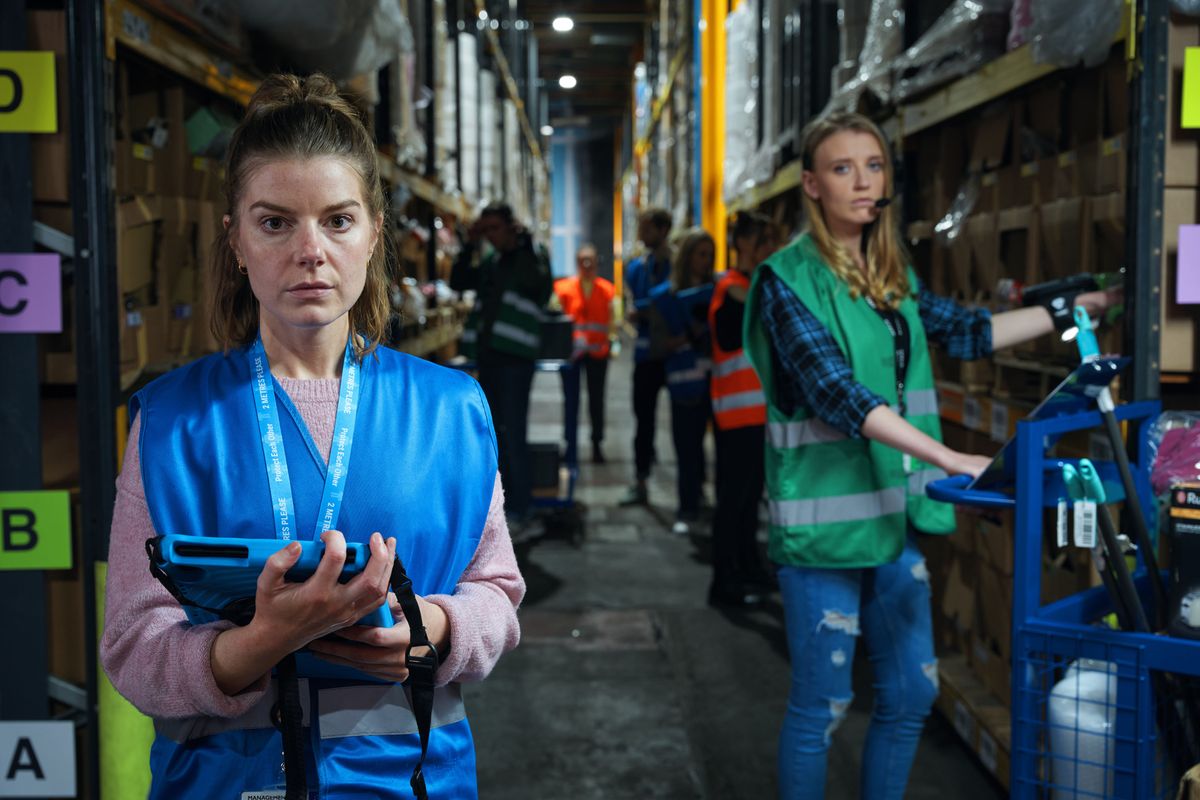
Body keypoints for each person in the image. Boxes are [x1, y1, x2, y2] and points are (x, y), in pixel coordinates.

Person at [100, 74, 525, 799]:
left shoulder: (453, 410)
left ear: (373, 232)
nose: (310, 251)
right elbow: (134, 649)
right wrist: (258, 646)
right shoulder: (172, 421)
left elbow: (496, 592)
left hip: (409, 781)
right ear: (235, 239)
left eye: (337, 220)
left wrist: (436, 628)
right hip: (224, 783)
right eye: (274, 223)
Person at [742, 111, 1119, 800]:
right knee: (820, 708)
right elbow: (836, 393)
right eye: (842, 168)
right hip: (823, 536)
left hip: (892, 523)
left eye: (875, 165)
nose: (863, 181)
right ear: (811, 186)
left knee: (913, 693)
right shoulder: (785, 281)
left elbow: (970, 332)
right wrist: (949, 457)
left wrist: (1081, 309)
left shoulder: (889, 276)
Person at [452, 202, 553, 526]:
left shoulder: (531, 255)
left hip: (516, 358)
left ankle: (523, 508)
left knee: (513, 434)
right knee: (493, 435)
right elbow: (459, 279)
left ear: (511, 227)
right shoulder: (492, 262)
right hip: (490, 357)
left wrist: (520, 243)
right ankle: (501, 509)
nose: (491, 237)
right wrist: (470, 243)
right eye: (487, 230)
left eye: (496, 229)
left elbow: (537, 285)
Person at [707, 211, 778, 607]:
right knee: (734, 501)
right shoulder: (734, 288)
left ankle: (749, 566)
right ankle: (725, 580)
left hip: (757, 415)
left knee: (750, 500)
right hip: (737, 416)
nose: (772, 249)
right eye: (764, 242)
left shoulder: (748, 286)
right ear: (746, 245)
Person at [650, 227, 716, 536]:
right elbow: (659, 345)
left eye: (710, 255)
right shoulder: (667, 297)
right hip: (685, 385)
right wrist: (689, 335)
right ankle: (687, 507)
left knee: (711, 453)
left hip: (718, 385)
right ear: (688, 257)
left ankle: (703, 501)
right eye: (701, 254)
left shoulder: (719, 292)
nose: (707, 261)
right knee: (688, 449)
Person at [620, 207, 674, 505]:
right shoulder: (638, 267)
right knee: (643, 420)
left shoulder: (677, 262)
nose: (641, 234)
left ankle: (692, 489)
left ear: (663, 229)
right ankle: (640, 481)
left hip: (675, 352)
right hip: (645, 354)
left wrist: (645, 308)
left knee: (685, 424)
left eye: (646, 228)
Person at [554, 243, 616, 466]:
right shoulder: (562, 288)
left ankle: (597, 444)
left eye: (591, 260)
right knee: (570, 401)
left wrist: (613, 347)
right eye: (583, 261)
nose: (587, 265)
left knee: (596, 401)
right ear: (577, 263)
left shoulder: (608, 290)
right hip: (572, 355)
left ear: (597, 262)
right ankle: (570, 445)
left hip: (599, 355)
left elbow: (613, 322)